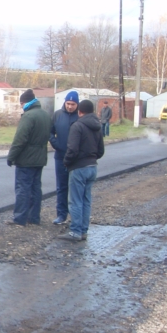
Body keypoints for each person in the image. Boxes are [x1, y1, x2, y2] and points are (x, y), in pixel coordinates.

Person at [58, 100, 105, 242]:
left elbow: (72, 149)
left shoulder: (77, 126)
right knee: (86, 200)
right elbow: (101, 150)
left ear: (80, 111)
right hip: (92, 167)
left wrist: (66, 162)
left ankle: (75, 231)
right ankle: (84, 230)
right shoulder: (97, 127)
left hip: (78, 168)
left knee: (75, 200)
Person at [6, 89, 52, 227]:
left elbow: (20, 139)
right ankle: (34, 218)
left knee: (23, 189)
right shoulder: (45, 115)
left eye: (21, 104)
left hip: (26, 159)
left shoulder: (28, 116)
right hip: (40, 158)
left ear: (23, 102)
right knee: (35, 189)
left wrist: (11, 156)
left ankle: (19, 219)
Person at [49, 91, 80, 225]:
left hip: (76, 158)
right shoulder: (57, 115)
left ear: (77, 104)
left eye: (73, 104)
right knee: (61, 187)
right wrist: (56, 144)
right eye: (68, 103)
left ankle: (76, 217)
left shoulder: (80, 117)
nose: (70, 107)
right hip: (60, 156)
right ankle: (61, 215)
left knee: (75, 188)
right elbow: (49, 132)